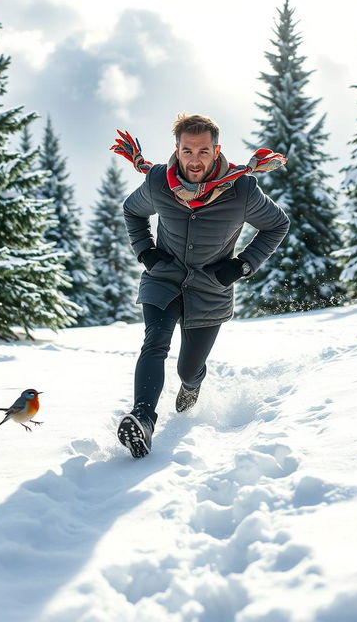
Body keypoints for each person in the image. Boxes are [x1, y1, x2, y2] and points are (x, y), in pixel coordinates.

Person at [114, 114, 290, 458]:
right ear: (177, 150)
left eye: (203, 151)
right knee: (155, 342)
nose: (195, 160)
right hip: (163, 279)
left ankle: (192, 385)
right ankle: (143, 419)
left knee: (188, 369)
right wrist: (146, 253)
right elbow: (132, 212)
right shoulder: (158, 182)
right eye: (187, 150)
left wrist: (242, 265)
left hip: (211, 289)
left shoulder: (242, 190)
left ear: (216, 150)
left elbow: (277, 225)